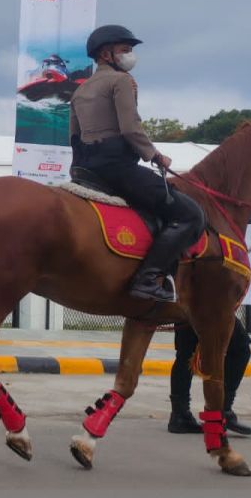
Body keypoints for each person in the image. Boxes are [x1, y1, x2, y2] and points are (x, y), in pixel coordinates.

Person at [69, 24, 205, 302]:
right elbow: (130, 128)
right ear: (106, 54)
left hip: (85, 169)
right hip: (117, 168)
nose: (130, 55)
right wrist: (155, 155)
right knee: (190, 214)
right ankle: (147, 279)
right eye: (125, 50)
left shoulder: (78, 92)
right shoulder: (121, 82)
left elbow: (73, 137)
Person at [169, 319, 251, 436]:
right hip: (210, 309)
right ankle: (222, 410)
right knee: (240, 348)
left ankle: (179, 415)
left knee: (186, 354)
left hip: (185, 308)